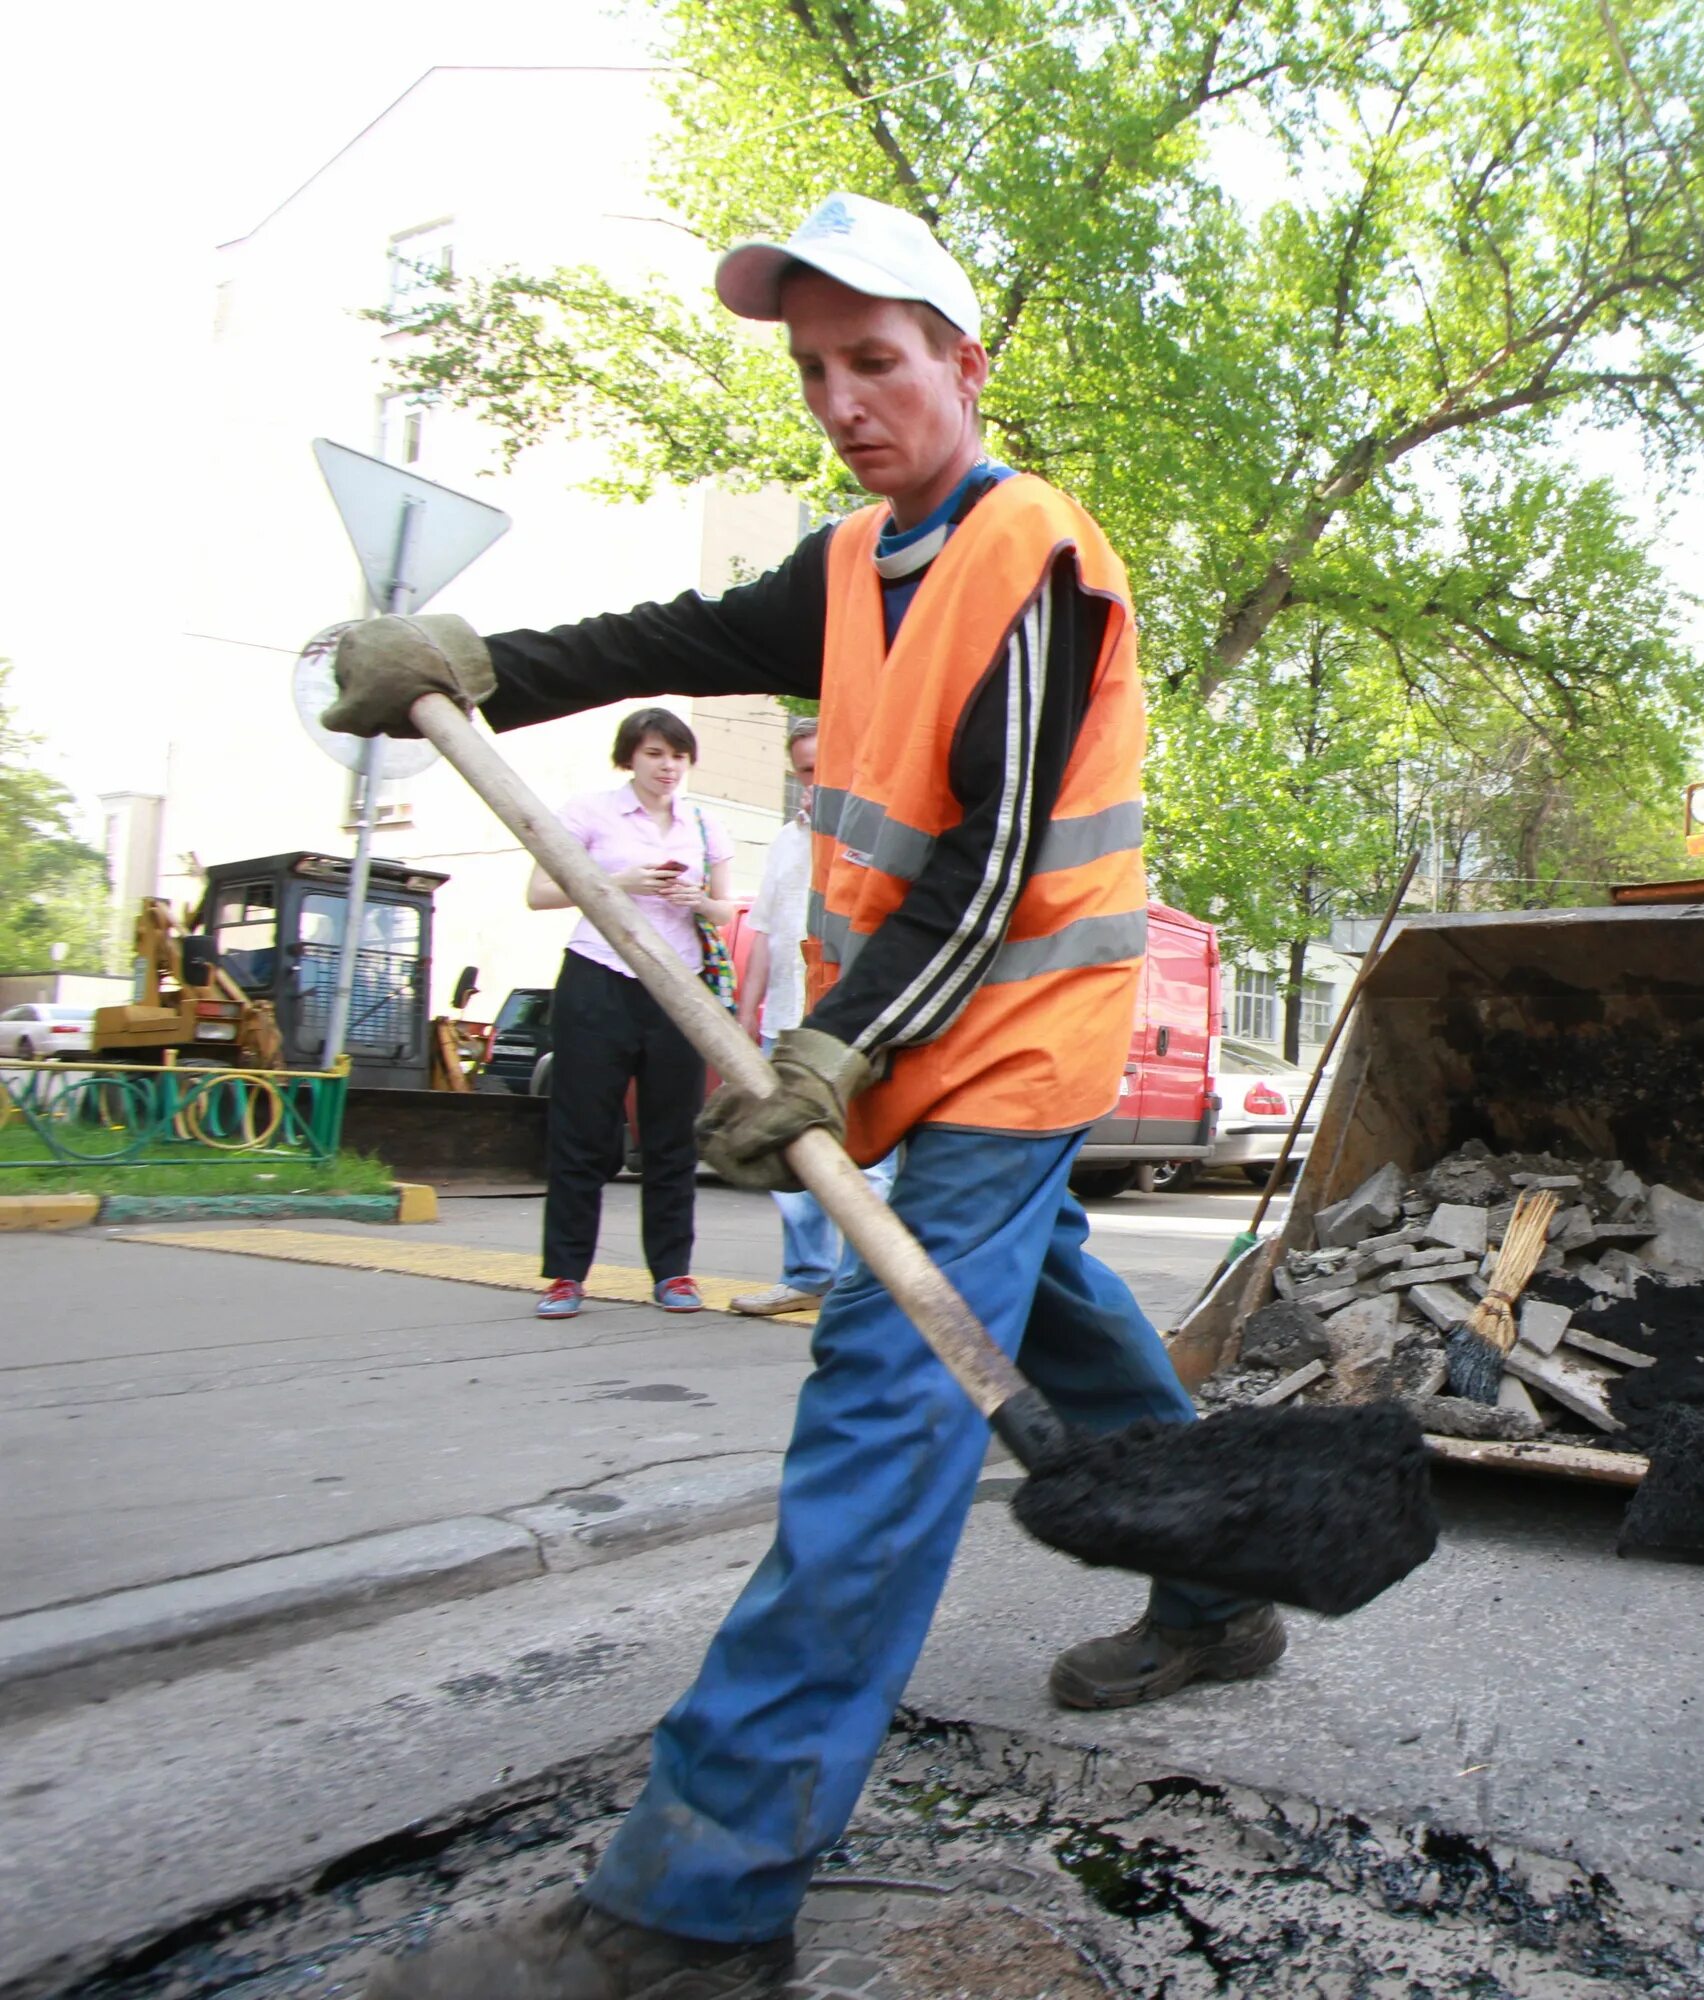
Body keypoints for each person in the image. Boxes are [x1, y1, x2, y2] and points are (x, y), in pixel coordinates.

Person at [326, 190, 1281, 1999]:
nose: (845, 398)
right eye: (815, 368)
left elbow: (992, 861)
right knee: (1053, 1324)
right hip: (911, 1047)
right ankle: (1226, 1588)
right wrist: (485, 668)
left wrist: (839, 1049)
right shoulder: (852, 569)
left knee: (889, 1408)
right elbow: (664, 632)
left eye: (879, 358)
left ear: (963, 366)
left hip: (1004, 1044)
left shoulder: (1034, 556)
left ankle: (694, 1907)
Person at [530, 707, 735, 1320]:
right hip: (600, 976)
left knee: (672, 1134)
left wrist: (697, 898)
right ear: (630, 757)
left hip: (678, 986)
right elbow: (540, 891)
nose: (666, 766)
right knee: (582, 1130)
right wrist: (621, 881)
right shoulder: (589, 811)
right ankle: (565, 1276)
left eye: (676, 755)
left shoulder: (703, 823)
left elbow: (726, 910)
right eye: (653, 754)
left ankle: (673, 1272)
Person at [729, 714, 894, 1317]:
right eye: (806, 769)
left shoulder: (874, 836)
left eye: (827, 766)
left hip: (850, 1026)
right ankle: (807, 1275)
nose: (815, 780)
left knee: (864, 1161)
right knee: (789, 1153)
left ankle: (860, 1285)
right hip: (786, 1020)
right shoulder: (785, 842)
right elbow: (766, 934)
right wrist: (745, 1018)